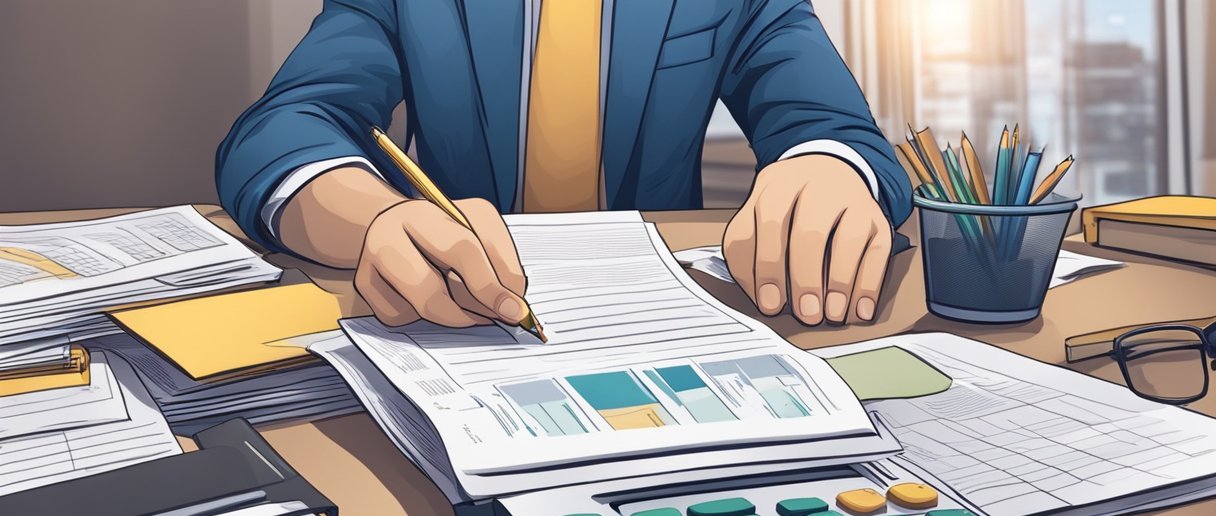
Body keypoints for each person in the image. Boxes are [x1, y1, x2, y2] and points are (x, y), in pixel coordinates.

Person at [217, 0, 912, 329]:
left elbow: (831, 125)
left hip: (658, 315)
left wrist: (830, 168)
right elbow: (285, 125)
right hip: (456, 313)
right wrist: (375, 218)